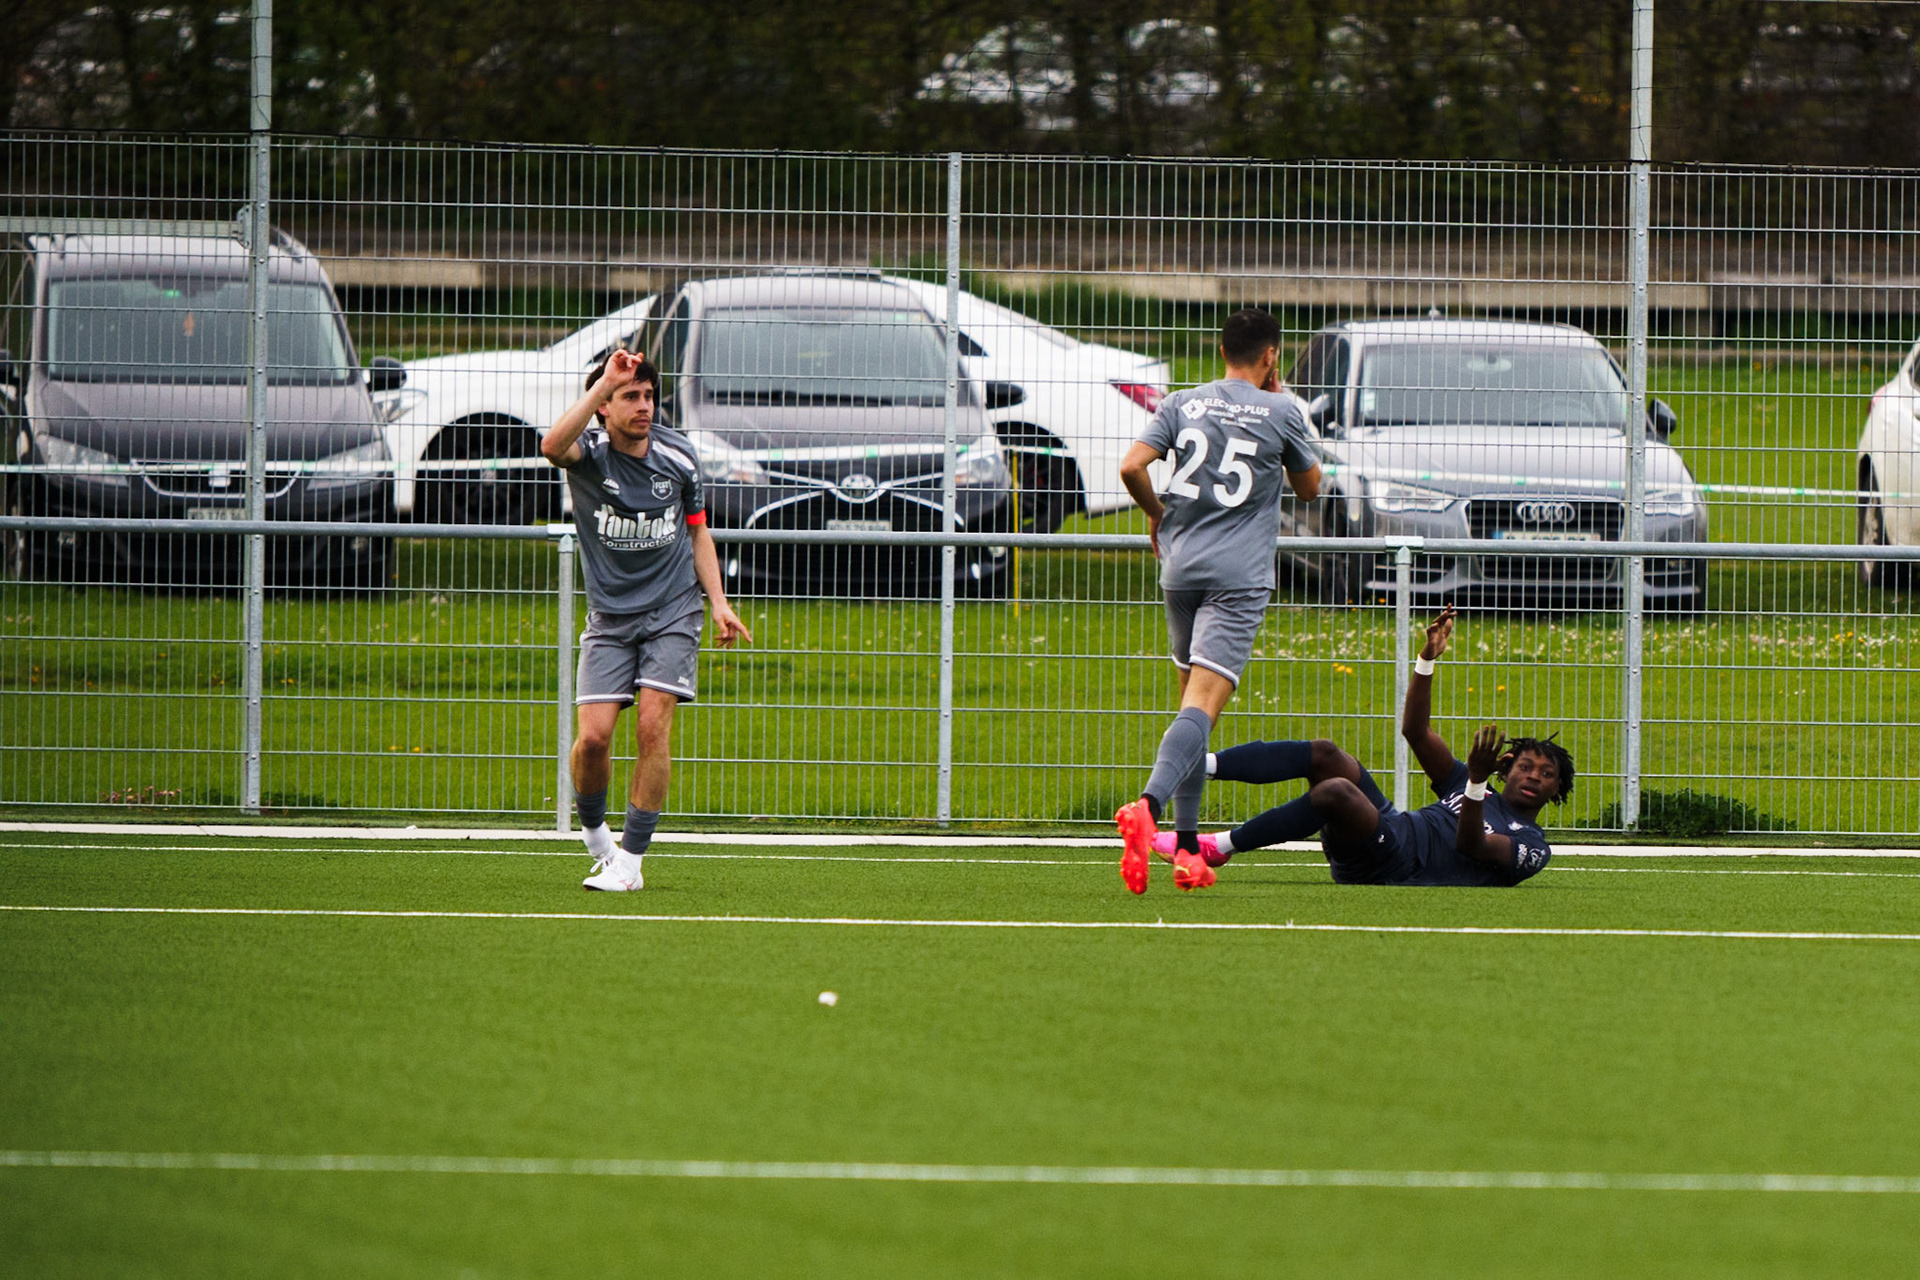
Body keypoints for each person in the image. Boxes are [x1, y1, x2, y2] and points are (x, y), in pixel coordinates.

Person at [1114, 307, 1323, 894]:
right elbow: (1311, 488)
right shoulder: (1282, 408)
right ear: (1271, 355)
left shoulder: (1182, 401)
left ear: (1222, 350)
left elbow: (1132, 466)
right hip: (1237, 576)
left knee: (1190, 708)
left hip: (1180, 569)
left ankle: (1185, 850)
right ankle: (1147, 807)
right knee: (1201, 708)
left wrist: (1158, 516)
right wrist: (1281, 410)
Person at [1153, 605, 1571, 887]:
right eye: (1528, 767)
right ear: (1508, 768)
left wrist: (1476, 784)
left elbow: (1472, 846)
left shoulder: (1533, 846)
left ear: (1556, 791)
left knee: (1337, 792)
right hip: (1392, 827)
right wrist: (1426, 660)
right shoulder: (1467, 781)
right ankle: (1196, 764)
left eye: (1547, 774)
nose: (1535, 776)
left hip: (1395, 864)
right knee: (1327, 755)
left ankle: (1217, 846)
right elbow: (1416, 732)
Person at [539, 348, 751, 891]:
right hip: (610, 618)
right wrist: (601, 384)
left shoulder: (679, 457)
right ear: (604, 409)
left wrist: (719, 602)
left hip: (673, 609)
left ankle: (630, 864)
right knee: (592, 742)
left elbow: (698, 531)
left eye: (649, 396)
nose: (644, 406)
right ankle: (598, 841)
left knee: (653, 725)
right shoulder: (587, 454)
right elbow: (550, 446)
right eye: (630, 396)